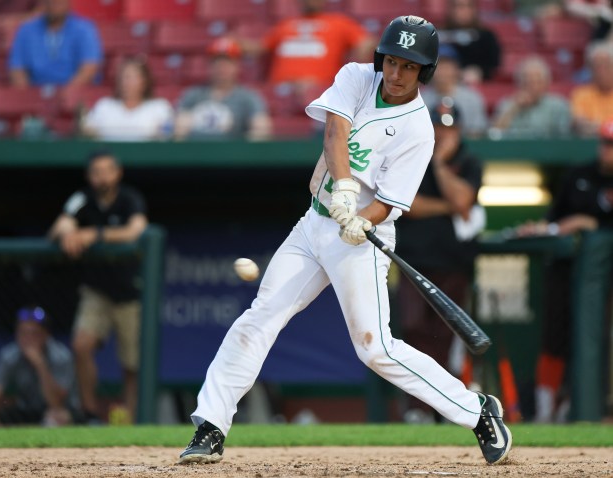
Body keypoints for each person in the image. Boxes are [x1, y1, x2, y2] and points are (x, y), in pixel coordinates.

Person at [178, 16, 511, 466]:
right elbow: (335, 131)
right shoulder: (356, 76)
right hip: (313, 223)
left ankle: (477, 411)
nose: (395, 74)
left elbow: (390, 204)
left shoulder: (419, 130)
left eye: (408, 67)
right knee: (262, 316)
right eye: (391, 62)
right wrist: (345, 189)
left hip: (360, 238)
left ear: (424, 72)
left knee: (376, 348)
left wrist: (360, 221)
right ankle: (211, 426)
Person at [514, 117, 613, 422]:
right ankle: (545, 408)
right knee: (555, 335)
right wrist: (547, 228)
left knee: (599, 342)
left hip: (604, 276)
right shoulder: (579, 175)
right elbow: (554, 219)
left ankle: (588, 405)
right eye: (607, 144)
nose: (609, 152)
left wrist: (591, 223)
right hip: (564, 269)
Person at [395, 99, 484, 423]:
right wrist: (448, 207)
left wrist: (440, 165)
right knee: (414, 331)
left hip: (453, 265)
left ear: (459, 131)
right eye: (438, 126)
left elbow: (463, 199)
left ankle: (447, 408)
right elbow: (409, 206)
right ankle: (418, 408)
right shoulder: (410, 156)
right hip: (413, 263)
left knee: (448, 338)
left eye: (449, 127)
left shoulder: (469, 162)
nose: (443, 133)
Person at [48, 150, 148, 423]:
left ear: (117, 173)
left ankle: (132, 418)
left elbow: (136, 230)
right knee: (81, 345)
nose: (101, 177)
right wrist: (69, 232)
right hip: (97, 291)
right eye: (95, 172)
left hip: (130, 291)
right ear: (89, 175)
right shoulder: (82, 198)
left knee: (132, 364)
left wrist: (94, 234)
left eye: (107, 171)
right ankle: (89, 413)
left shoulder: (129, 198)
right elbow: (58, 227)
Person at [240, 0, 375, 94]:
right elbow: (258, 47)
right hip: (280, 88)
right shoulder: (285, 25)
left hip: (320, 88)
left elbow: (367, 42)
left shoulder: (340, 23)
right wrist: (234, 41)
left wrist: (362, 52)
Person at [0, 306, 78, 427]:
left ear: (46, 335)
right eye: (23, 333)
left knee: (55, 419)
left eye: (34, 333)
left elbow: (56, 402)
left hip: (61, 410)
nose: (28, 339)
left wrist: (40, 364)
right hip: (26, 410)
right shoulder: (10, 355)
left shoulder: (61, 356)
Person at [174, 38, 272, 141]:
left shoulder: (249, 98)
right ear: (209, 66)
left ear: (237, 66)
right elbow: (179, 132)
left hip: (234, 154)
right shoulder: (193, 95)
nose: (222, 67)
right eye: (217, 62)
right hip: (196, 153)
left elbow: (261, 129)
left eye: (228, 62)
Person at [8, 0, 103, 88]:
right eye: (51, 2)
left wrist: (67, 95)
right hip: (36, 94)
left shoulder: (84, 29)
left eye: (59, 2)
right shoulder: (26, 30)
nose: (55, 4)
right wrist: (27, 98)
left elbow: (89, 67)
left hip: (74, 96)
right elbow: (17, 69)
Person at [81, 57, 174, 141]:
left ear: (144, 81)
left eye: (130, 77)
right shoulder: (104, 106)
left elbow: (169, 136)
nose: (125, 82)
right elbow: (88, 133)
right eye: (122, 77)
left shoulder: (159, 107)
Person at [491, 56, 571, 138]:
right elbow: (494, 134)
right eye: (527, 82)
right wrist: (514, 108)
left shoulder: (558, 106)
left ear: (546, 83)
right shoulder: (507, 104)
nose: (533, 87)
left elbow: (563, 139)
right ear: (518, 83)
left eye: (537, 82)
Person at [421, 44, 488, 138]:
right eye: (438, 66)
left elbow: (477, 132)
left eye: (447, 66)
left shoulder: (471, 98)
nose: (442, 71)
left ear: (456, 69)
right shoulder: (421, 98)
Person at [438, 0, 502, 84]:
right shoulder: (439, 35)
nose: (462, 11)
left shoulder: (486, 36)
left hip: (476, 85)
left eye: (467, 6)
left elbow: (494, 66)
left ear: (474, 10)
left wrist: (480, 72)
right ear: (450, 9)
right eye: (458, 6)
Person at [571, 41, 613, 136]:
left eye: (606, 65)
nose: (601, 71)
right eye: (597, 66)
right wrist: (607, 128)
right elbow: (580, 125)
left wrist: (597, 126)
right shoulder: (581, 95)